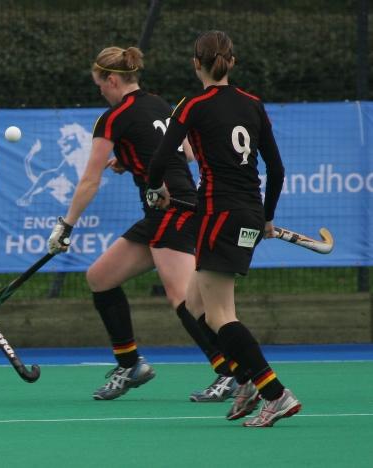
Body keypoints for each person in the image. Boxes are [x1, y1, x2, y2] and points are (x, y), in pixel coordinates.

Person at [47, 46, 238, 402]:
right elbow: (188, 154)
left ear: (112, 80)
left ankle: (231, 372)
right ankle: (130, 364)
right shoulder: (160, 104)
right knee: (100, 278)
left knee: (185, 298)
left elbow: (90, 180)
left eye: (100, 85)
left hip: (173, 210)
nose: (101, 92)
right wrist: (130, 159)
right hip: (165, 210)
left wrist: (66, 226)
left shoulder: (113, 117)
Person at [145, 30, 301, 427]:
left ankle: (275, 393)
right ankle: (245, 380)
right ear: (231, 62)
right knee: (193, 304)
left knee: (219, 315)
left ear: (196, 64)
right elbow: (276, 169)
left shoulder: (192, 105)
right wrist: (266, 217)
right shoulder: (253, 104)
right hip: (248, 213)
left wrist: (157, 189)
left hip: (220, 215)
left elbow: (159, 160)